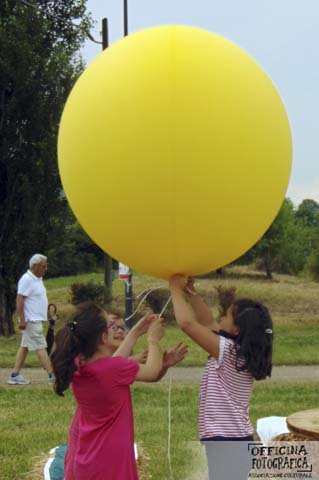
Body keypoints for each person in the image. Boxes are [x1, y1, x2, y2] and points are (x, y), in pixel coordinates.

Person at [63, 308, 188, 480]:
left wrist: (136, 332)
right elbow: (151, 372)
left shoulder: (79, 365)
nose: (116, 328)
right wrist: (153, 340)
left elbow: (112, 363)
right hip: (112, 465)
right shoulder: (114, 370)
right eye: (112, 325)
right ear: (103, 338)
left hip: (88, 462)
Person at [169, 275, 273, 480]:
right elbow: (207, 321)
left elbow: (187, 324)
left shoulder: (228, 351)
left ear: (237, 329)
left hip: (227, 442)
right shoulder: (238, 350)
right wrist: (192, 294)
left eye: (226, 316)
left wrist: (174, 289)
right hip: (235, 441)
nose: (221, 319)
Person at [7, 254, 54, 385]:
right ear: (35, 266)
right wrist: (22, 319)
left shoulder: (38, 279)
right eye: (44, 266)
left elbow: (37, 300)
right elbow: (20, 299)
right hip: (30, 321)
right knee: (41, 346)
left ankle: (15, 375)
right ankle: (52, 375)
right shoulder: (27, 279)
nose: (46, 269)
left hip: (35, 319)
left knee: (25, 347)